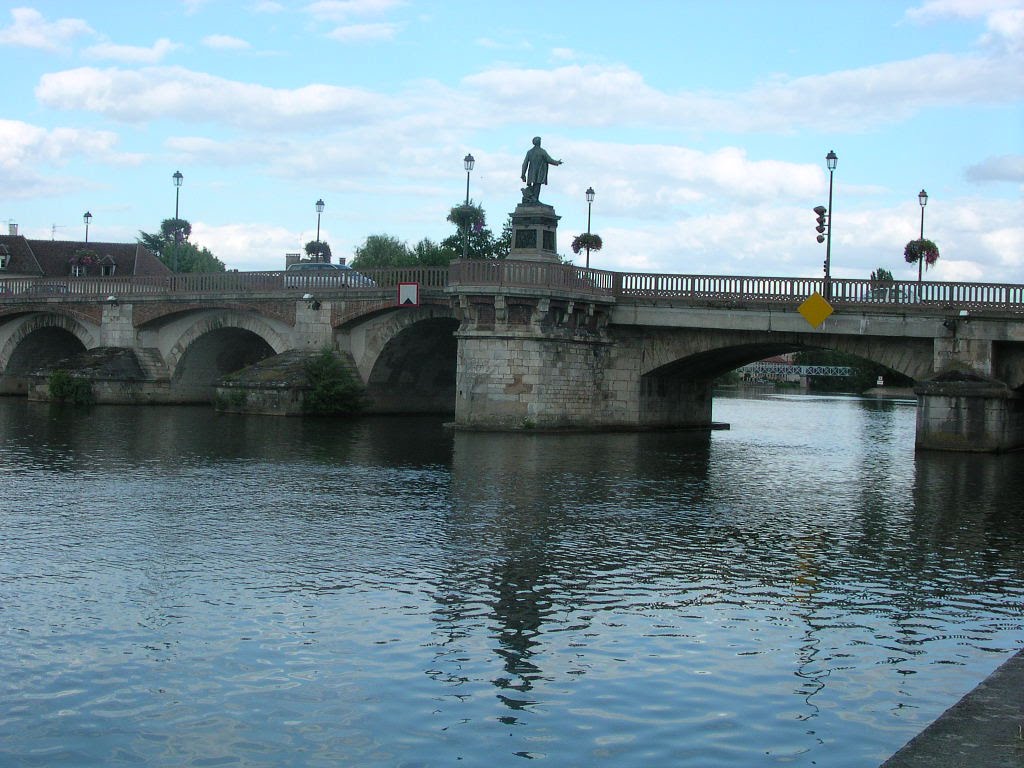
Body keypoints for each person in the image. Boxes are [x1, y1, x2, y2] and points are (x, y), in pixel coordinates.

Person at [520, 137, 562, 204]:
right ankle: (535, 199)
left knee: (534, 185)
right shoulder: (542, 151)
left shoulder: (529, 152)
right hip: (539, 172)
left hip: (531, 172)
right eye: (540, 141)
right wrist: (557, 162)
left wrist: (523, 174)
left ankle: (533, 198)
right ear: (539, 142)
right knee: (537, 185)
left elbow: (525, 164)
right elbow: (549, 160)